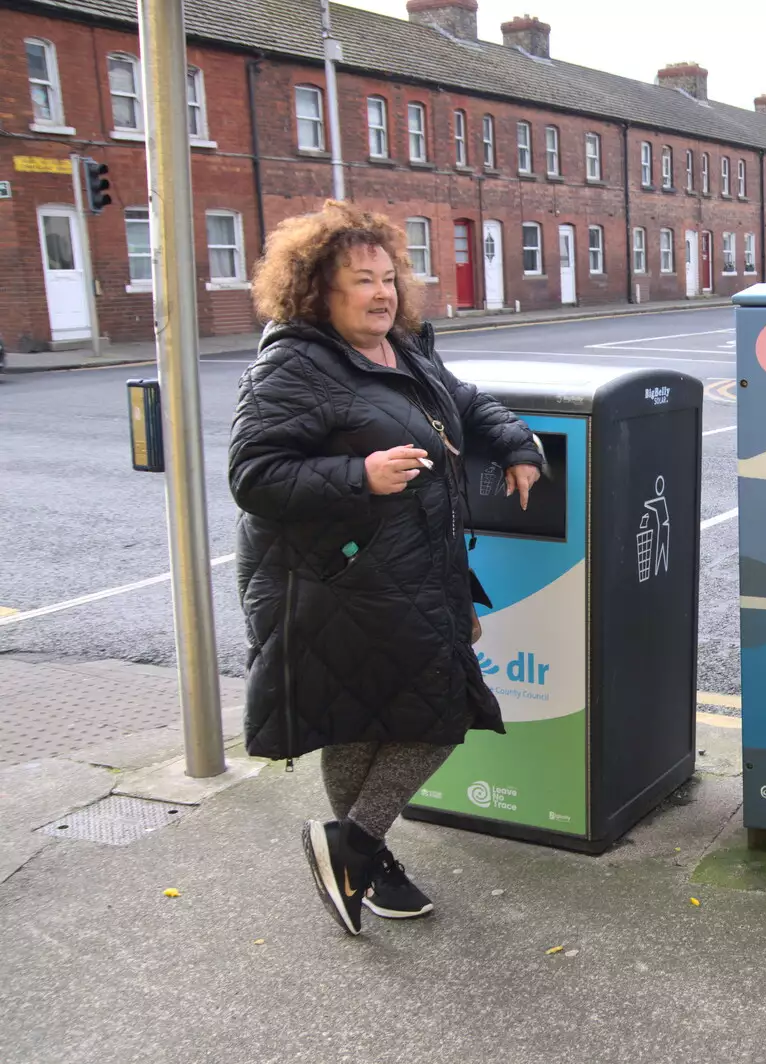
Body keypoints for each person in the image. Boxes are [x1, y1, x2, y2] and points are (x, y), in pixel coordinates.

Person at [229, 201, 547, 935]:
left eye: (387, 279)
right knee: (438, 709)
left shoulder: (401, 350)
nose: (381, 295)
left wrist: (518, 444)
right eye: (359, 282)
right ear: (316, 292)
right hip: (337, 578)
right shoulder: (292, 365)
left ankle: (360, 861)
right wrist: (359, 474)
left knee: (366, 721)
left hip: (408, 567)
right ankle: (357, 845)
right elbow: (253, 475)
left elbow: (462, 403)